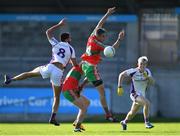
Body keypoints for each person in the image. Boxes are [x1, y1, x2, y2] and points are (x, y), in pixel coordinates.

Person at [3, 18, 78, 126]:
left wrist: (59, 24)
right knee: (56, 97)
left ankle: (11, 79)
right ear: (67, 39)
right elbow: (75, 64)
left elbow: (48, 32)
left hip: (50, 67)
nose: (71, 39)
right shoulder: (71, 49)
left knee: (30, 74)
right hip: (58, 72)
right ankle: (52, 118)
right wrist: (72, 63)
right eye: (70, 37)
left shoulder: (56, 44)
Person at [81, 7, 125, 122]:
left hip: (85, 64)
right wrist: (119, 40)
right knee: (102, 93)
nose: (105, 38)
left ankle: (80, 86)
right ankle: (108, 114)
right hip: (91, 68)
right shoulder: (100, 46)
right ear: (100, 36)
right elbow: (112, 49)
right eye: (104, 36)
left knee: (91, 78)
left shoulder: (92, 36)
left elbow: (100, 23)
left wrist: (107, 13)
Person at [117, 56, 155, 130]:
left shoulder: (147, 72)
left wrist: (148, 77)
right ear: (138, 64)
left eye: (144, 64)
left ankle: (124, 122)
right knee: (147, 103)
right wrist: (119, 86)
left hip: (142, 95)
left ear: (146, 65)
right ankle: (147, 123)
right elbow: (121, 75)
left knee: (132, 113)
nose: (142, 66)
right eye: (141, 64)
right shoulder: (133, 71)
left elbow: (152, 82)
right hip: (134, 94)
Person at [62, 63, 89, 132]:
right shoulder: (77, 69)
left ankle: (76, 122)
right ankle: (77, 127)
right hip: (69, 91)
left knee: (87, 102)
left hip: (71, 90)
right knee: (83, 108)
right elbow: (69, 84)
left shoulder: (77, 71)